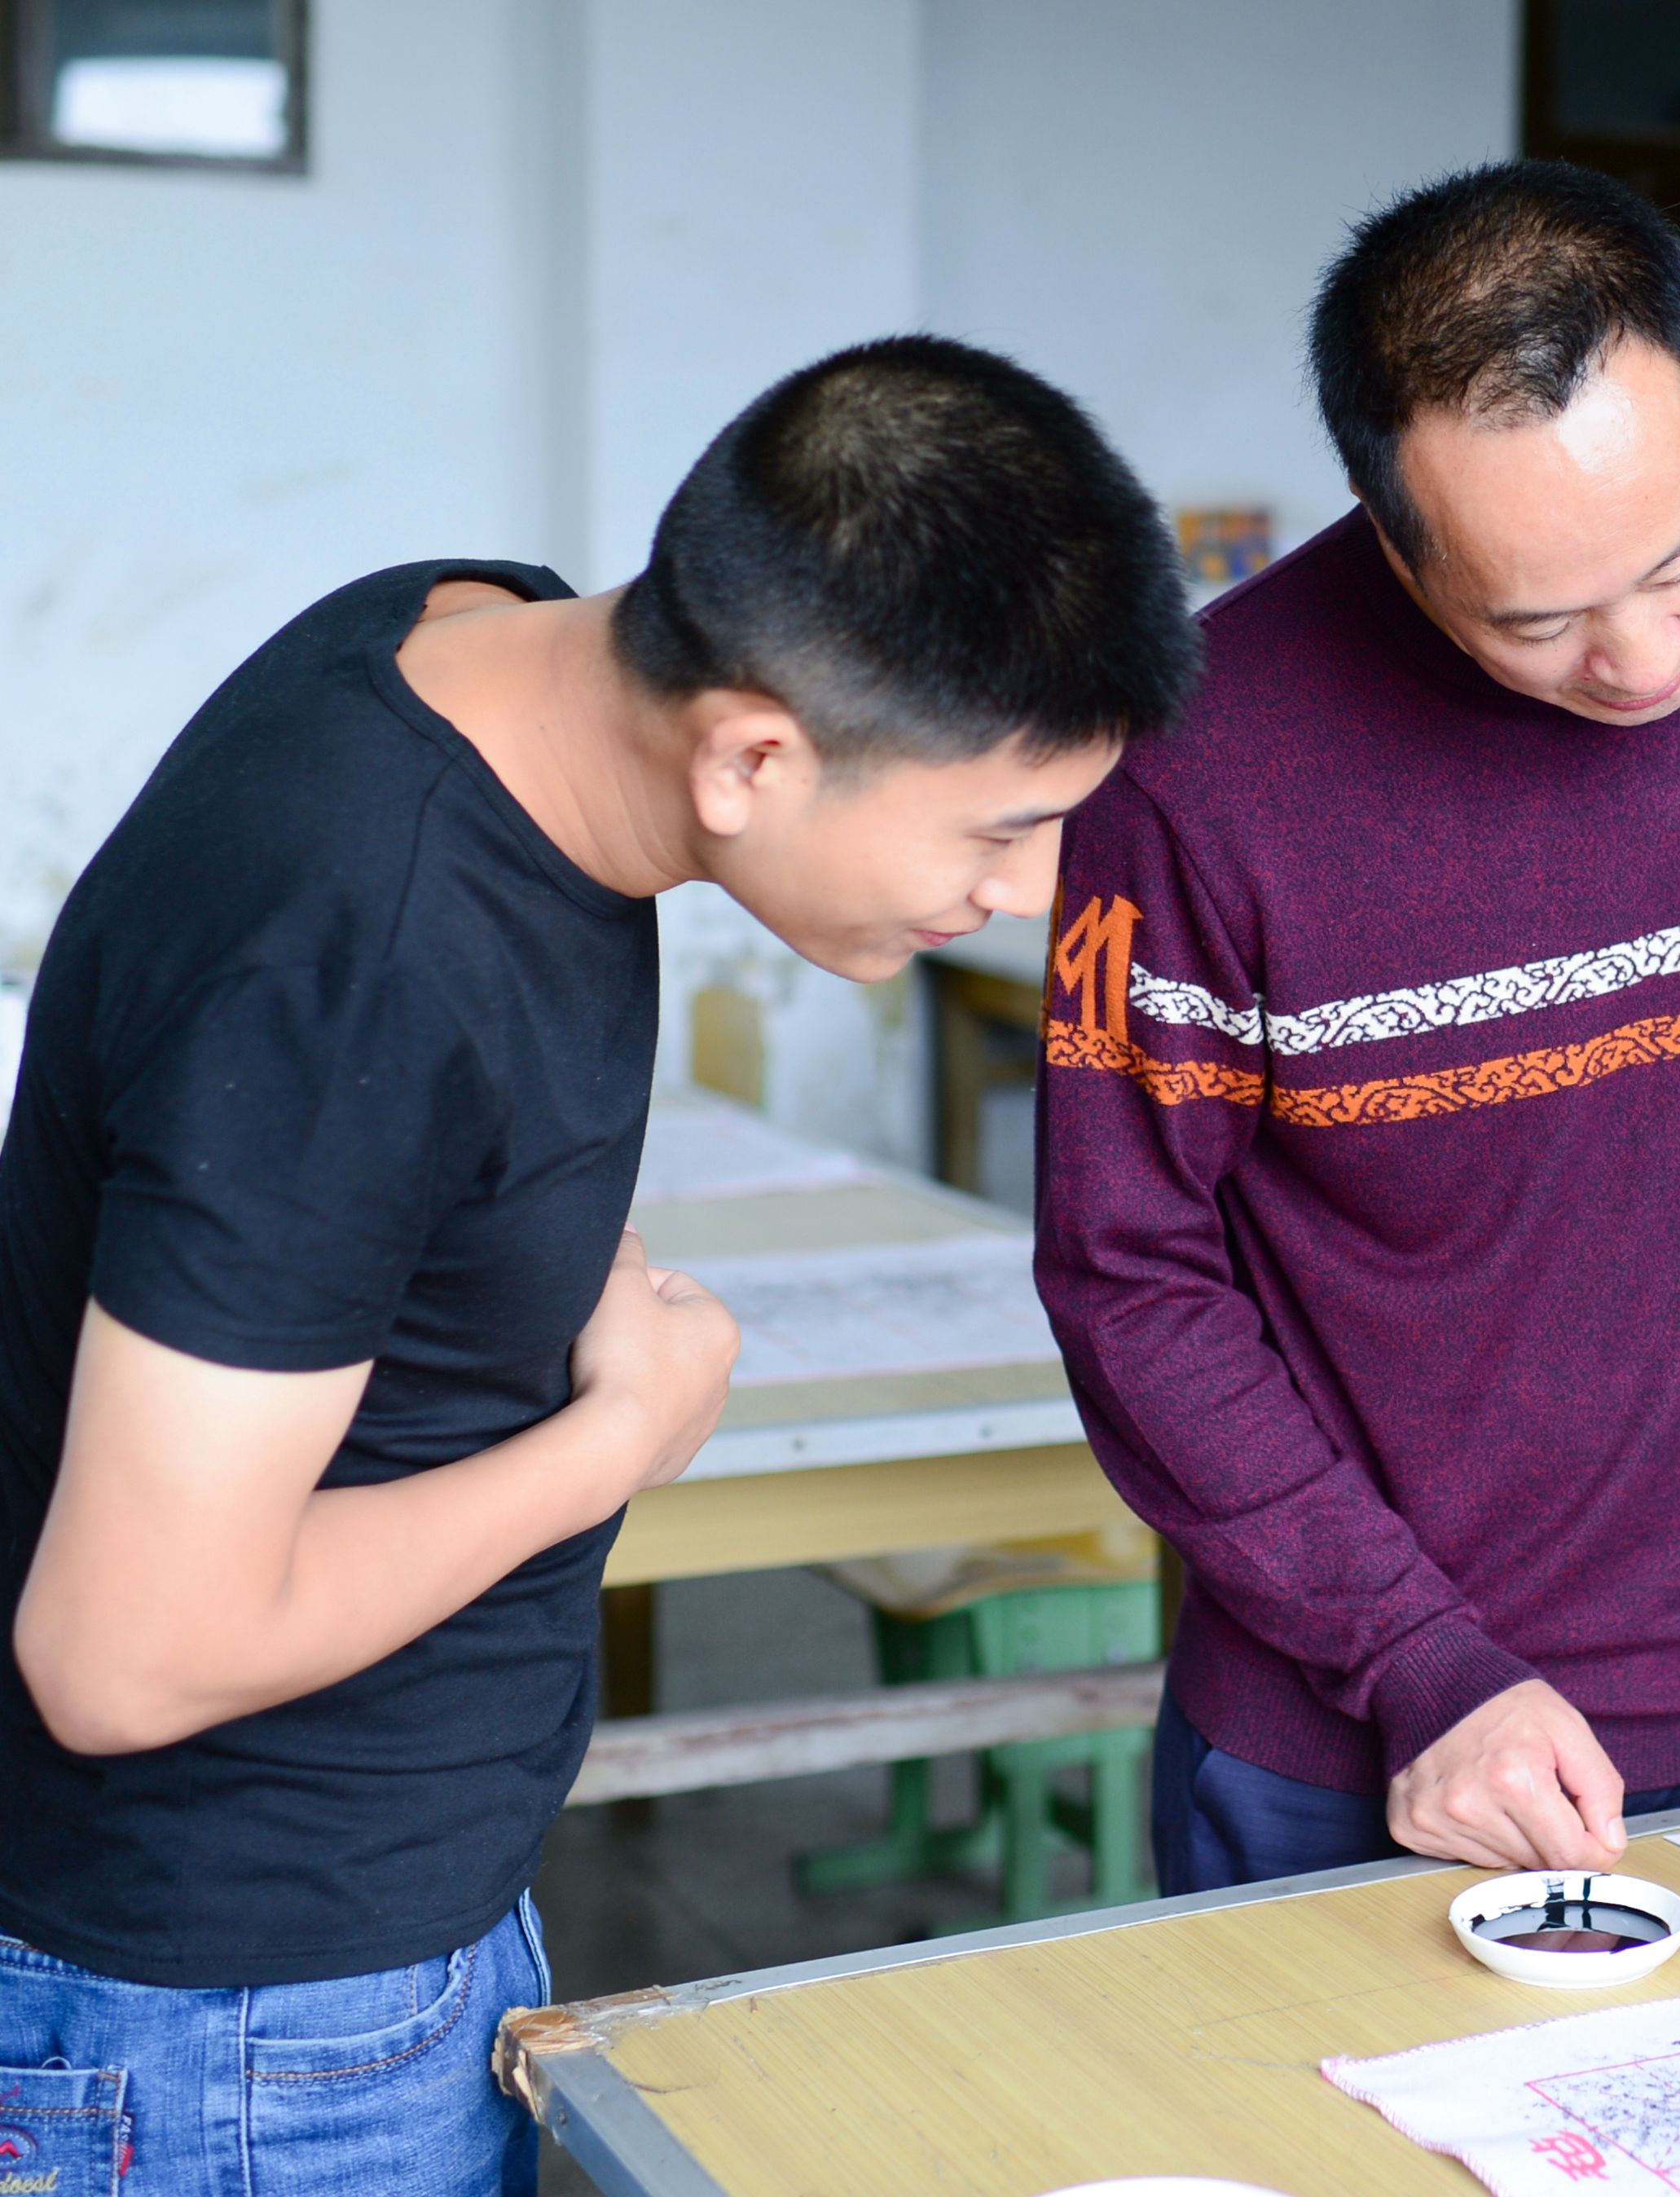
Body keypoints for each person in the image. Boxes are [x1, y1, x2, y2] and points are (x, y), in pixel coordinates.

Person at [0, 336, 1197, 2197]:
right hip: (239, 2015)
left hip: (365, 1928)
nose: (1027, 896)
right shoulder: (362, 952)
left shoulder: (477, 637)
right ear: (750, 753)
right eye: (1000, 827)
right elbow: (122, 1655)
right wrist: (621, 1431)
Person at [1036, 161, 1680, 1895]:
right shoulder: (1196, 775)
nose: (1638, 660)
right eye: (1536, 616)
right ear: (1389, 536)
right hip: (1362, 1732)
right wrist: (1415, 1658)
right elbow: (1127, 1275)